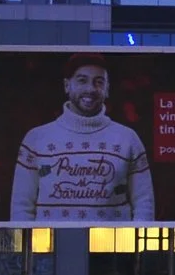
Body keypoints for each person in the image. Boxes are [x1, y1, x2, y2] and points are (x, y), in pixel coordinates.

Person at [10, 58, 156, 222]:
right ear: (67, 85)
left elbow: (144, 204)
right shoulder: (36, 138)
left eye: (99, 82)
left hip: (114, 245)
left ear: (107, 89)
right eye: (82, 80)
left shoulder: (128, 138)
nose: (91, 89)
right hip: (50, 245)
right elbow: (21, 207)